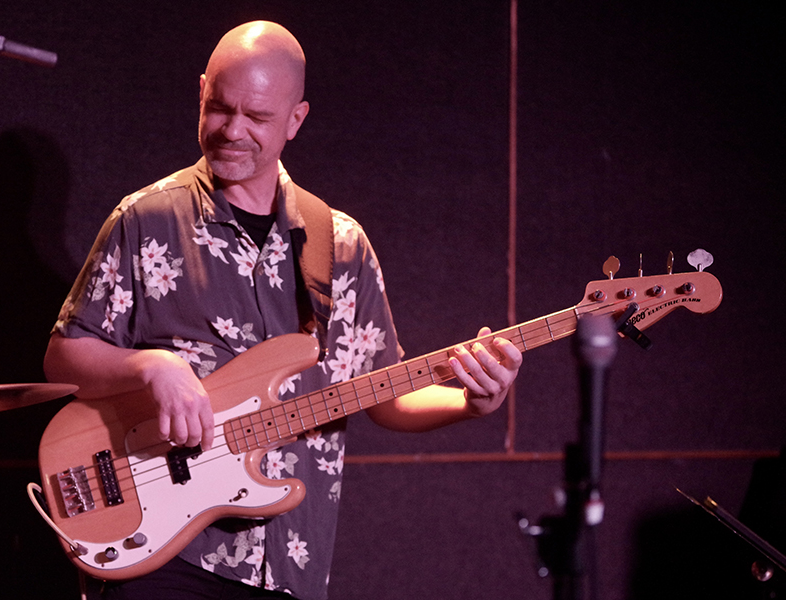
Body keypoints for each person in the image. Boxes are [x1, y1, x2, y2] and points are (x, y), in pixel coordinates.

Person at [44, 20, 523, 600]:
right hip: (167, 550)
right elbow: (64, 357)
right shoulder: (146, 219)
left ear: (296, 120)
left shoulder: (341, 245)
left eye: (258, 117)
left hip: (294, 560)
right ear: (201, 92)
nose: (233, 130)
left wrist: (470, 402)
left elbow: (385, 394)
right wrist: (151, 367)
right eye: (221, 108)